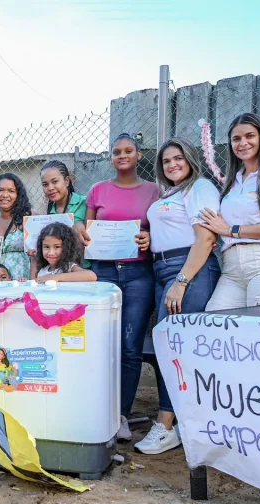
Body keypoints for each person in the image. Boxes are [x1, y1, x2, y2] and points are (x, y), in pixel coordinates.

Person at [135, 138, 222, 455]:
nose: (172, 164)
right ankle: (180, 423)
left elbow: (206, 238)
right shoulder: (170, 193)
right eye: (167, 160)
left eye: (178, 158)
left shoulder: (199, 187)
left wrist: (182, 281)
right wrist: (150, 237)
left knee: (175, 349)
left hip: (188, 269)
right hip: (162, 269)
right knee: (168, 346)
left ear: (190, 159)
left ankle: (167, 425)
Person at [83, 133, 159, 441]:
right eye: (116, 152)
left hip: (139, 272)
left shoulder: (154, 190)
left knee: (130, 347)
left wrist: (149, 238)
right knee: (100, 343)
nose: (122, 155)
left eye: (128, 151)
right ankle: (96, 410)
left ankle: (122, 415)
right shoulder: (98, 190)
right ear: (110, 157)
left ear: (139, 155)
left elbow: (161, 229)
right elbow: (86, 230)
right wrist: (82, 232)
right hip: (103, 272)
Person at [200, 113, 260, 310]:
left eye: (250, 136)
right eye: (236, 139)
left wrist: (230, 230)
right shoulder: (233, 181)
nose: (243, 143)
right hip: (232, 268)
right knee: (216, 326)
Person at [35, 160, 88, 277]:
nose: (50, 188)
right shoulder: (48, 214)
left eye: (55, 182)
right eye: (45, 184)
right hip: (59, 271)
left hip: (83, 269)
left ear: (67, 180)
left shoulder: (85, 203)